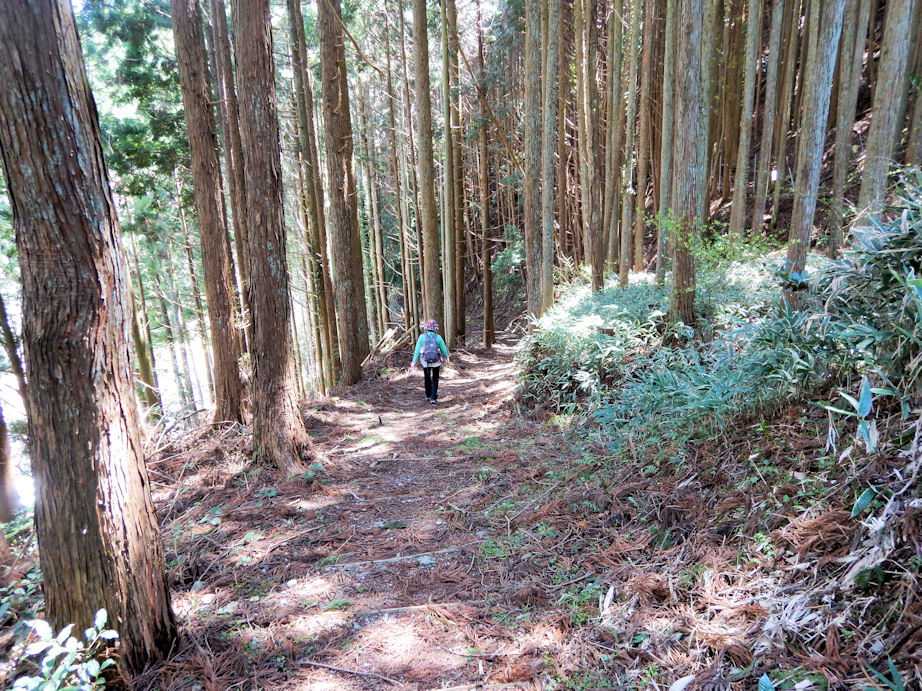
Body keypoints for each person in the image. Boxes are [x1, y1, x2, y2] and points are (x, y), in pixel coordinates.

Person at [410, 319, 449, 404]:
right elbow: (444, 349)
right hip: (436, 362)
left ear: (426, 328)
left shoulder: (422, 337)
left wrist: (414, 361)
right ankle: (433, 398)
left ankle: (428, 395)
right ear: (435, 328)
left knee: (427, 378)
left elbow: (417, 350)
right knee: (435, 379)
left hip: (425, 362)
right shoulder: (438, 337)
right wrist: (447, 357)